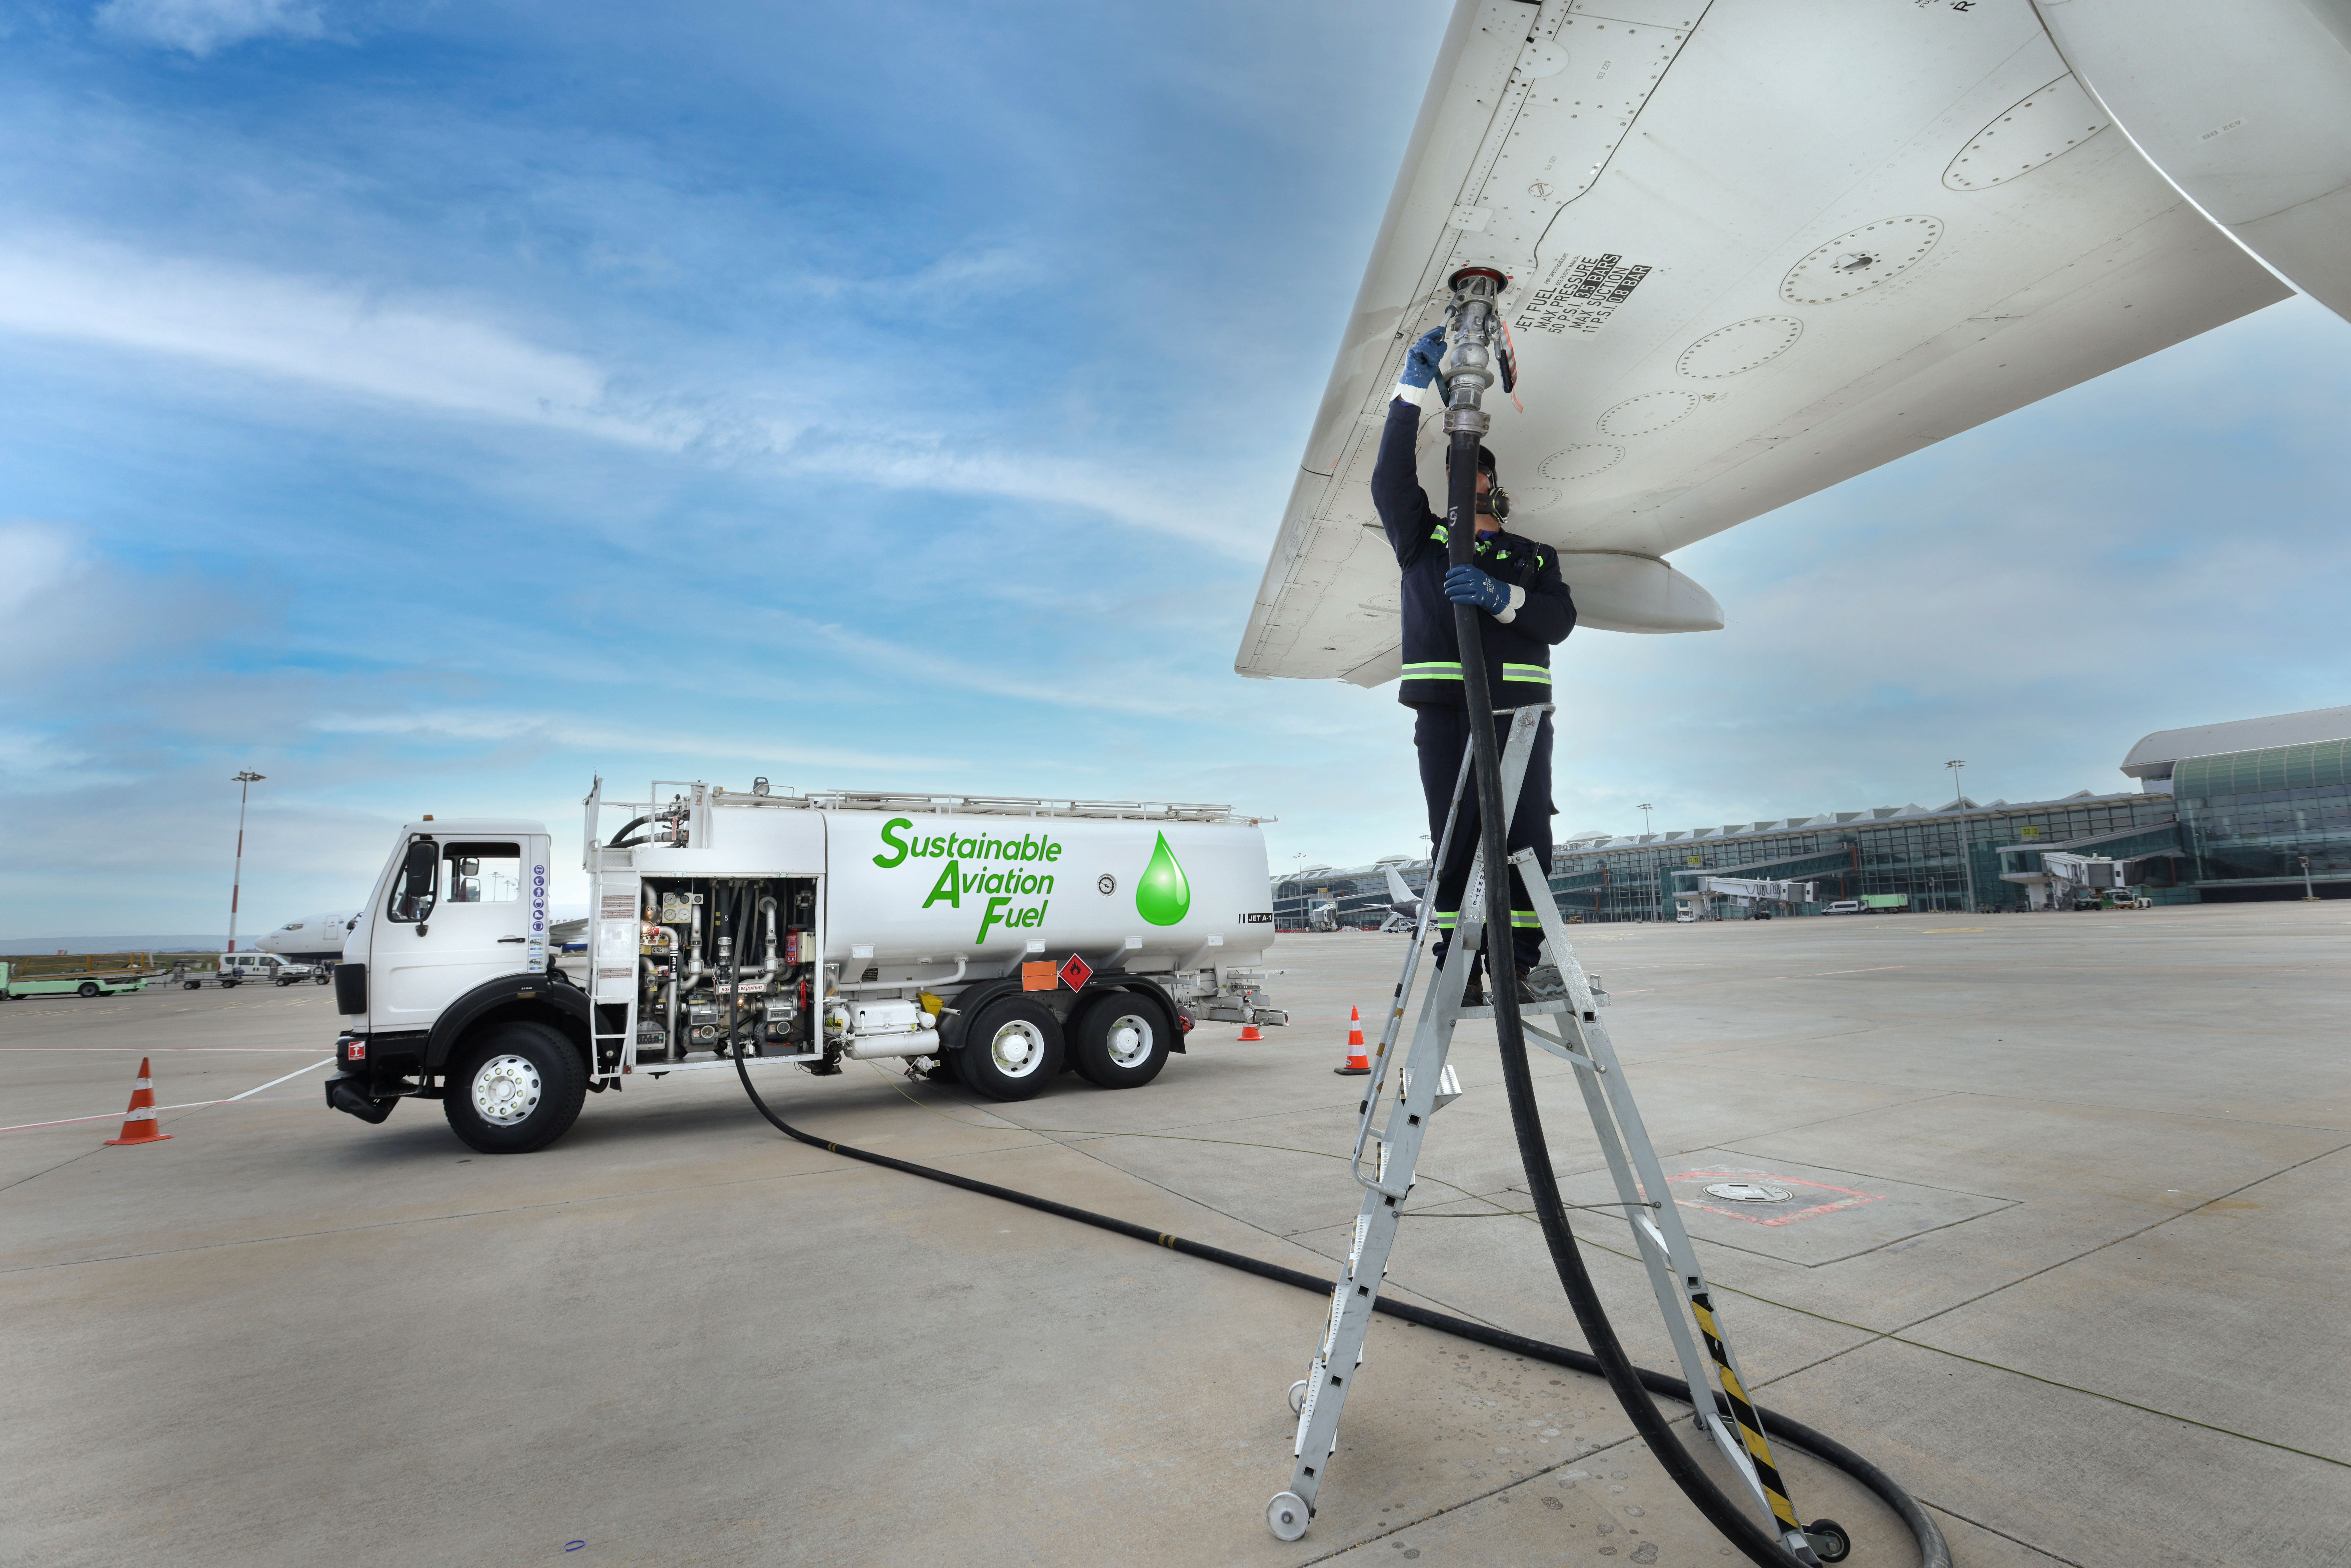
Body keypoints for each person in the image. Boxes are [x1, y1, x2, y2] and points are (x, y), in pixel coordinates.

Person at [1375, 325, 1576, 1002]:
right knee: (1455, 837)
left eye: (1481, 471)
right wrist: (1408, 393)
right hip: (1446, 715)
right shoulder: (1425, 543)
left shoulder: (1532, 555)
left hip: (1520, 720)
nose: (1473, 478)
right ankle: (1455, 967)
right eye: (1465, 470)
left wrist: (1503, 597)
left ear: (1496, 484)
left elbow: (1560, 621)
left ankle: (1515, 962)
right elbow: (1389, 481)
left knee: (1524, 838)